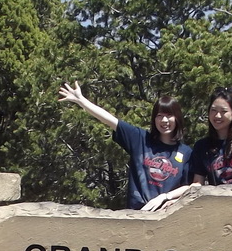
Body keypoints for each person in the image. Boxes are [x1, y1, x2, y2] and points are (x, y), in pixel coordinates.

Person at [58, 81, 193, 210]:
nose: (164, 120)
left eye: (169, 115)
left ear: (177, 118)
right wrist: (81, 100)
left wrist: (165, 197)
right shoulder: (140, 139)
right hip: (137, 213)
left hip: (167, 216)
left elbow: (191, 186)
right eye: (159, 115)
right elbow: (109, 119)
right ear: (154, 119)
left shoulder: (186, 152)